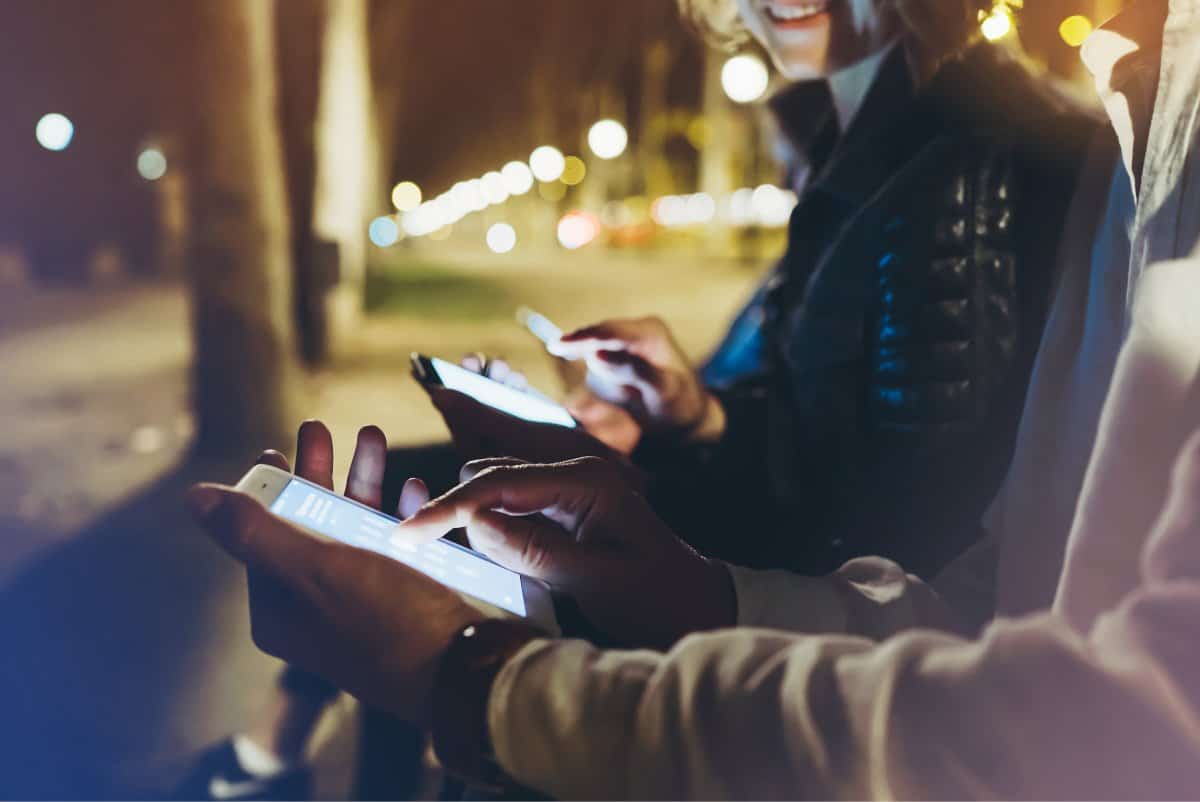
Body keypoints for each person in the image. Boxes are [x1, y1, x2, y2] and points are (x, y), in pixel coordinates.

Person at [188, 0, 1200, 796]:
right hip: (805, 637)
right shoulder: (1109, 122)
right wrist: (682, 490)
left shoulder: (981, 150)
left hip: (829, 681)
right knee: (416, 546)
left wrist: (498, 689)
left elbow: (915, 532)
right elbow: (1007, 582)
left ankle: (268, 758)